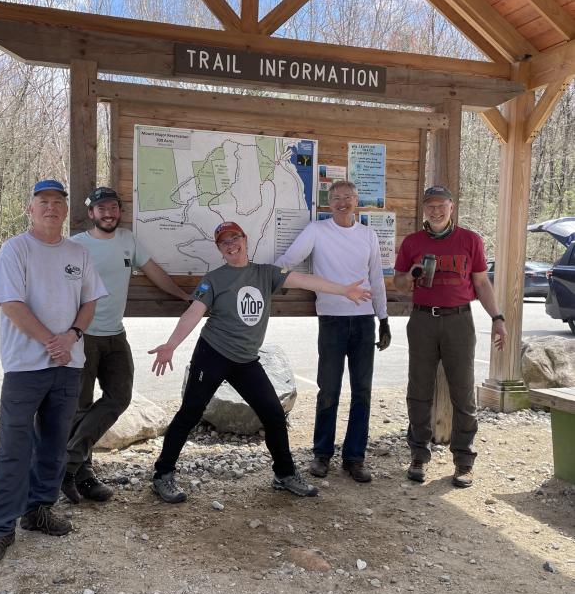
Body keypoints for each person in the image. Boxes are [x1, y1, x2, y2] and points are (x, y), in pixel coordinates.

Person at [148, 220, 372, 503]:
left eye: (235, 239)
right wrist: (171, 345)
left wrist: (344, 290)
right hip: (213, 353)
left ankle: (285, 474)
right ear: (220, 249)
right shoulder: (214, 279)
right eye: (224, 243)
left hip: (245, 360)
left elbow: (305, 281)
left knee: (274, 416)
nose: (231, 245)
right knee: (190, 413)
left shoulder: (266, 273)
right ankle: (162, 475)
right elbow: (194, 312)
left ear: (245, 239)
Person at [0, 179, 106, 565]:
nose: (51, 207)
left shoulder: (78, 252)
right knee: (14, 449)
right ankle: (0, 528)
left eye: (57, 202)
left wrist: (72, 336)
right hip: (25, 367)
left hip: (68, 366)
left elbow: (89, 301)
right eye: (43, 201)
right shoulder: (15, 249)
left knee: (53, 445)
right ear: (30, 209)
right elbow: (10, 304)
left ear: (66, 211)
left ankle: (38, 510)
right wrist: (53, 340)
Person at [62, 187, 190, 503]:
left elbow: (154, 272)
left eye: (114, 208)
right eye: (102, 208)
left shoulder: (127, 240)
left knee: (120, 396)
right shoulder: (76, 245)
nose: (109, 213)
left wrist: (182, 295)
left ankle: (69, 461)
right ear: (90, 213)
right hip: (84, 335)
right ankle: (83, 475)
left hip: (115, 335)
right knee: (79, 407)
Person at [275, 180, 390, 483]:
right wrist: (267, 278)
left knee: (362, 391)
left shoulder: (368, 235)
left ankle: (355, 457)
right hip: (331, 320)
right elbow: (288, 260)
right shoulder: (317, 230)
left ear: (356, 200)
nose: (342, 203)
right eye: (335, 198)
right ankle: (322, 453)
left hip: (364, 320)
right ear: (329, 203)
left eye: (347, 197)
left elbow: (376, 279)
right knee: (329, 389)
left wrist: (384, 318)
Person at [393, 185, 507, 489]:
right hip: (422, 319)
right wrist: (412, 274)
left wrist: (497, 318)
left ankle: (464, 461)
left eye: (441, 205)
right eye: (430, 206)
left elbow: (481, 283)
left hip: (459, 320)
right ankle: (419, 454)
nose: (436, 211)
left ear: (451, 207)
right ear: (424, 210)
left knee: (463, 391)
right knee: (419, 388)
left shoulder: (470, 240)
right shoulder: (413, 242)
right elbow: (400, 284)